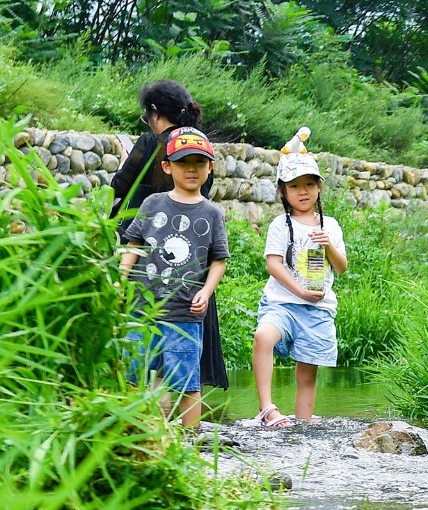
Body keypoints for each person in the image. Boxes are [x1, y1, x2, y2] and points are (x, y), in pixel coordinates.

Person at [111, 80, 229, 393]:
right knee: (188, 330)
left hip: (145, 257)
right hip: (192, 259)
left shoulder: (152, 144)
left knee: (140, 333)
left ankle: (142, 412)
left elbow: (119, 185)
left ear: (154, 113)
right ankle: (187, 416)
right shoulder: (201, 150)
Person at [252, 148, 347, 428]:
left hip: (317, 310)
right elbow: (274, 264)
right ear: (283, 192)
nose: (302, 192)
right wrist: (300, 292)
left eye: (308, 184)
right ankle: (267, 408)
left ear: (319, 187)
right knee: (263, 337)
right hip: (281, 303)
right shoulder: (280, 224)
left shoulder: (330, 225)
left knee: (307, 375)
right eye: (294, 186)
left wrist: (328, 244)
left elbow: (341, 267)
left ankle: (303, 427)